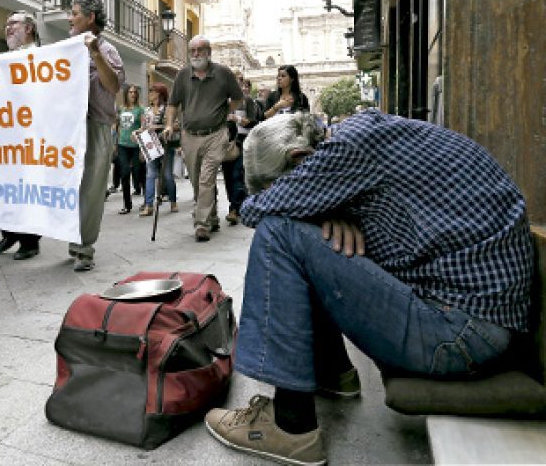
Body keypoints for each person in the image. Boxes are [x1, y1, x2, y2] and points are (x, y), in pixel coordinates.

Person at [204, 109, 533, 466]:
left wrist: (301, 208)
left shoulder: (349, 149)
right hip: (474, 325)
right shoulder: (359, 144)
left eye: (284, 187)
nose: (294, 198)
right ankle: (334, 373)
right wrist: (324, 211)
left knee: (278, 231)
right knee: (304, 236)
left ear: (300, 158)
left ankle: (290, 424)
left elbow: (257, 212)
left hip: (458, 335)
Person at [162, 35, 243, 242]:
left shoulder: (223, 73)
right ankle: (212, 216)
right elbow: (173, 104)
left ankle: (201, 224)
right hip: (190, 136)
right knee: (197, 181)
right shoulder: (182, 75)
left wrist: (225, 112)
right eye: (192, 51)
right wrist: (170, 124)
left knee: (207, 179)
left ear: (209, 52)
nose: (196, 54)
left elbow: (238, 98)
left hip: (216, 135)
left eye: (200, 50)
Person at [65, 0, 125, 271]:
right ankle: (73, 240)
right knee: (70, 187)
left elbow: (113, 86)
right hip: (67, 128)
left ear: (90, 18)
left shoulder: (107, 50)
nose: (69, 18)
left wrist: (95, 53)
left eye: (75, 13)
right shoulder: (66, 48)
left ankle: (84, 248)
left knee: (90, 189)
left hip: (95, 126)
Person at [0, 10, 44, 261]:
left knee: (25, 188)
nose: (8, 28)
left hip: (29, 134)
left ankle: (29, 241)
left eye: (14, 23)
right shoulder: (3, 60)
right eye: (6, 24)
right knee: (2, 186)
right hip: (4, 135)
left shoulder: (43, 57)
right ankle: (9, 232)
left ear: (29, 29)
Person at [223, 76, 261, 226]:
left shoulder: (248, 101)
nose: (241, 88)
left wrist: (237, 119)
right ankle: (238, 206)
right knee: (227, 176)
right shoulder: (225, 102)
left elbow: (253, 121)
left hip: (243, 142)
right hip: (226, 143)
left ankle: (234, 209)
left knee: (237, 174)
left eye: (244, 85)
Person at [139, 82, 179, 216]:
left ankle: (173, 201)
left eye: (152, 91)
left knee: (167, 174)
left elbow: (176, 125)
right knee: (150, 174)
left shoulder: (167, 109)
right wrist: (137, 133)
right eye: (150, 91)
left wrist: (159, 127)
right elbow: (144, 127)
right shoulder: (147, 110)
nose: (150, 93)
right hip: (150, 145)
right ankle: (149, 205)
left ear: (159, 93)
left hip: (165, 144)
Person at [116, 84, 144, 214]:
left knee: (138, 173)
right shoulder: (121, 109)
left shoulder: (140, 110)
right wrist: (114, 143)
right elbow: (117, 126)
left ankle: (147, 201)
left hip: (136, 146)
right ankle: (127, 205)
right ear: (126, 94)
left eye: (135, 92)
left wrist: (137, 132)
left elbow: (144, 126)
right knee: (125, 174)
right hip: (122, 145)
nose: (133, 94)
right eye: (130, 92)